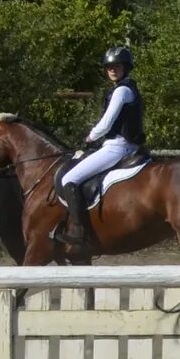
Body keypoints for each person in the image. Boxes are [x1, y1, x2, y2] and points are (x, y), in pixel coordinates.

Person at [59, 46, 148, 254]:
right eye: (109, 67)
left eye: (117, 66)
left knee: (68, 180)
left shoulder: (122, 90)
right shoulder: (127, 88)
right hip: (127, 146)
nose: (112, 70)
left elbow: (106, 123)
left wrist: (90, 136)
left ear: (125, 67)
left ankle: (79, 232)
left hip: (117, 147)